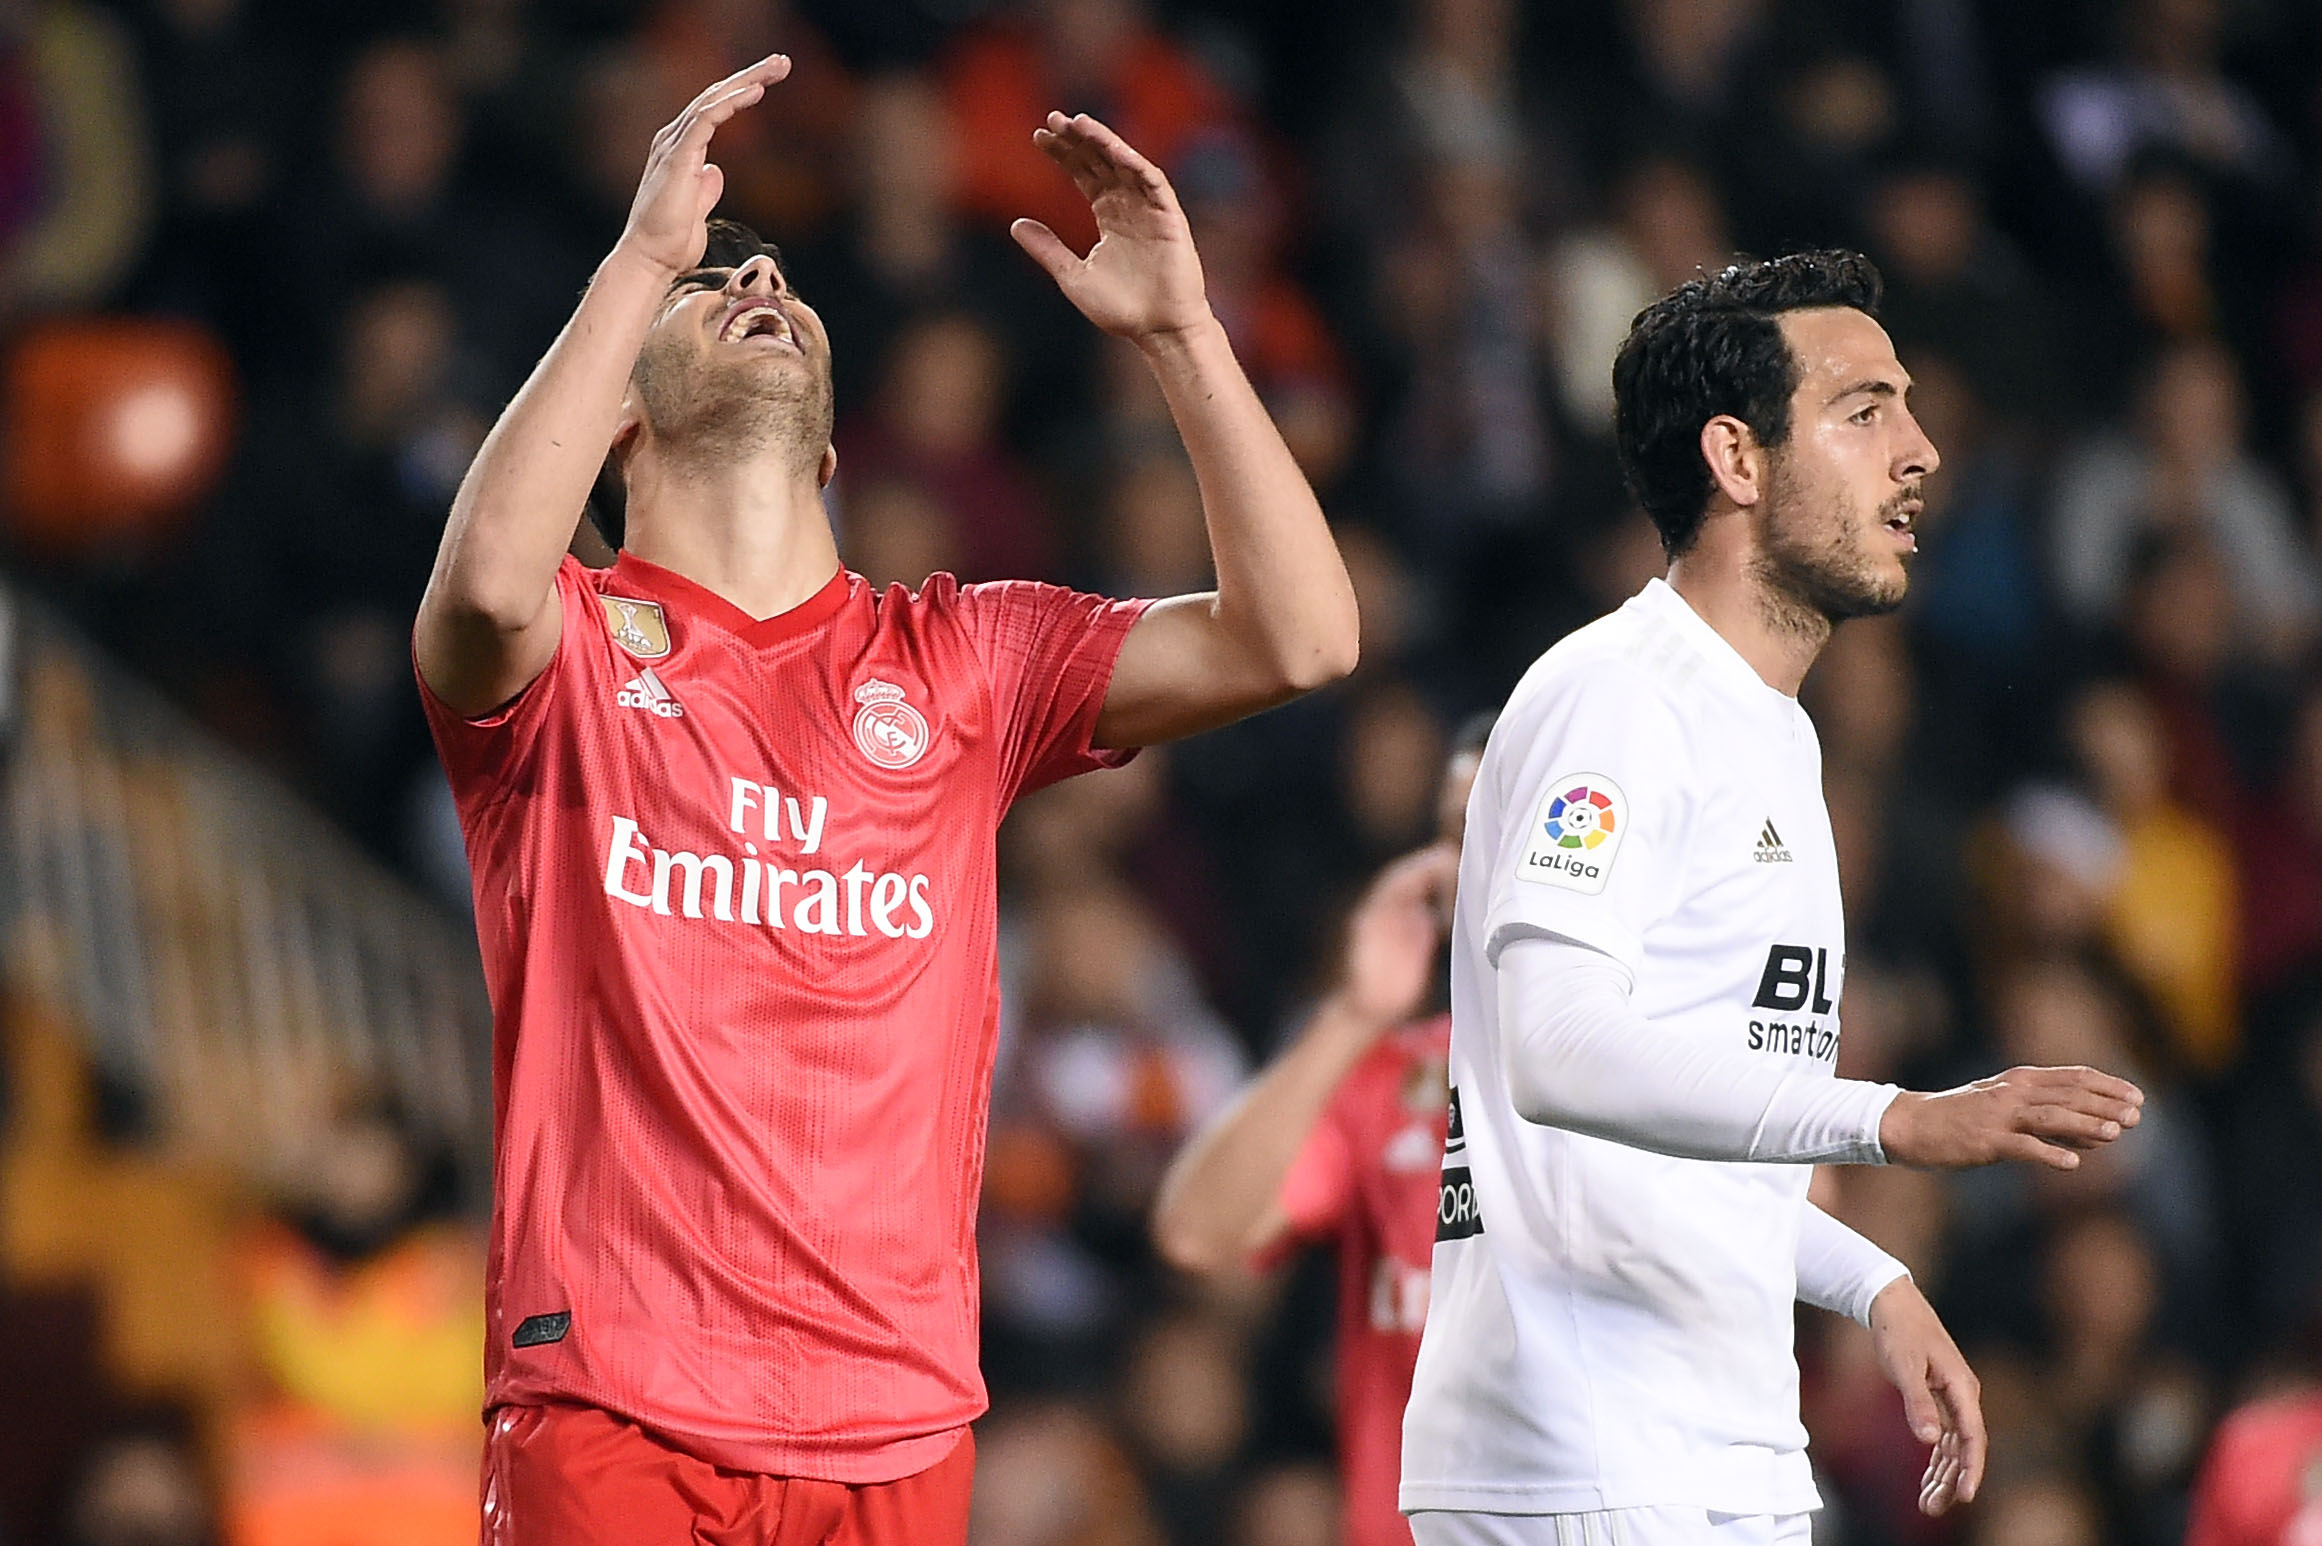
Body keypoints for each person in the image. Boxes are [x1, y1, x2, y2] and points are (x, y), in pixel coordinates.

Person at [411, 54, 1358, 1546]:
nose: (761, 271)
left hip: (895, 1421)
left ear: (835, 450)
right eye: (709, 290)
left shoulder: (965, 655)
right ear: (616, 431)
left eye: (775, 272)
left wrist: (1181, 332)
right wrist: (647, 253)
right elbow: (476, 582)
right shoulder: (568, 657)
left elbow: (1300, 636)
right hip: (614, 1399)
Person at [1398, 251, 2147, 1546]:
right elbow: (1555, 1048)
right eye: (1863, 411)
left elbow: (1672, 1144)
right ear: (1736, 461)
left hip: (1706, 1446)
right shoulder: (1617, 696)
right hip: (1587, 1452)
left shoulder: (1773, 738)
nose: (1917, 449)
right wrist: (1896, 1120)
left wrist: (1871, 1281)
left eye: (1907, 408)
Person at [1151, 716, 1484, 1546]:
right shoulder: (1388, 1081)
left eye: (1512, 830)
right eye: (1457, 836)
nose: (1478, 868)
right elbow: (1200, 1232)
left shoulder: (1666, 1079)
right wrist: (1354, 1014)